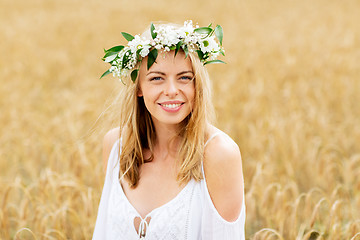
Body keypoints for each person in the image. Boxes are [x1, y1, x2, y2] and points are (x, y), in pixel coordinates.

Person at [93, 20, 245, 239]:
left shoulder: (219, 154)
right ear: (139, 89)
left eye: (184, 77)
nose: (172, 91)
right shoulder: (116, 145)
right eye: (157, 78)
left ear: (197, 85)